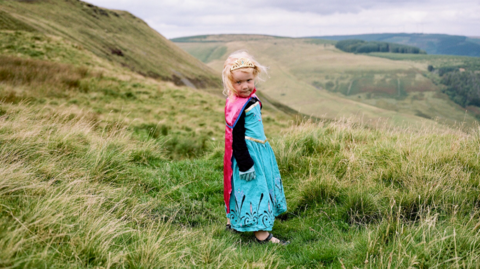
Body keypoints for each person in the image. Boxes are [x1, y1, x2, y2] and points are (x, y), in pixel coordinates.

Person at [222, 51, 288, 245]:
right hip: (249, 155)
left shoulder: (249, 99)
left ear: (254, 77)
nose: (245, 86)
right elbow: (237, 138)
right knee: (254, 190)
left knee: (255, 187)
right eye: (238, 82)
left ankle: (234, 221)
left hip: (260, 151)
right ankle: (262, 236)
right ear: (230, 83)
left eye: (248, 80)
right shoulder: (239, 106)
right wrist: (245, 164)